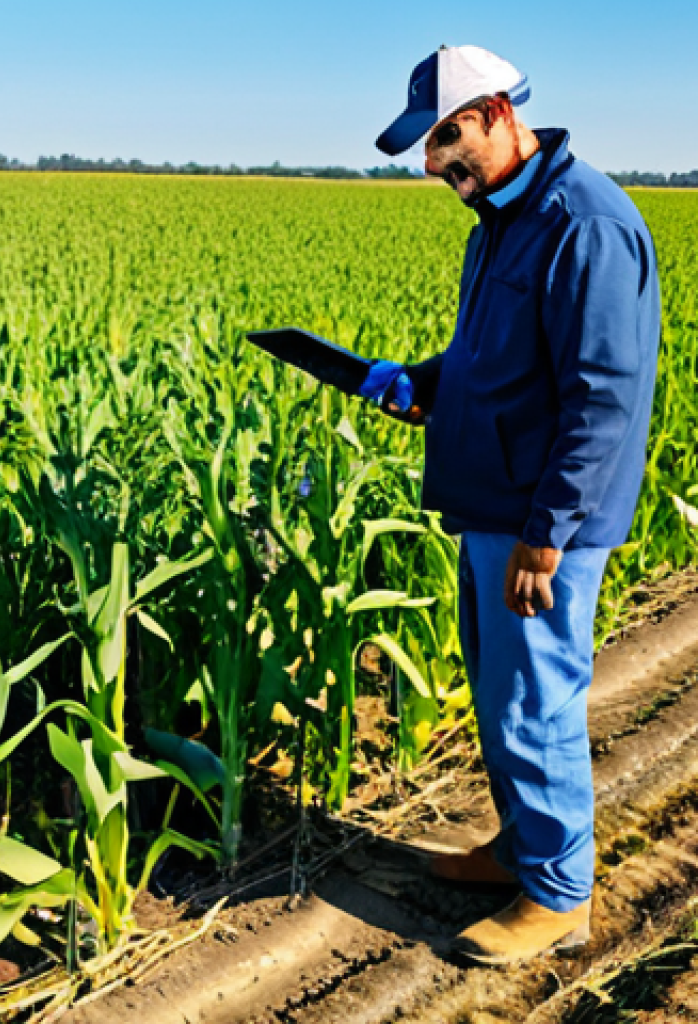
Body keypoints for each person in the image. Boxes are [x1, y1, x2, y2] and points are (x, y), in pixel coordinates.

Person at [369, 45, 661, 966]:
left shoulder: (586, 223)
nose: (433, 163)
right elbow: (488, 359)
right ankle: (518, 849)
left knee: (535, 701)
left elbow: (604, 395)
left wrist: (548, 536)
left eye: (448, 136)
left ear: (498, 112)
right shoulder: (501, 219)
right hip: (493, 500)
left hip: (544, 522)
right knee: (500, 698)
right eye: (425, 146)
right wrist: (422, 383)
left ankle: (560, 896)